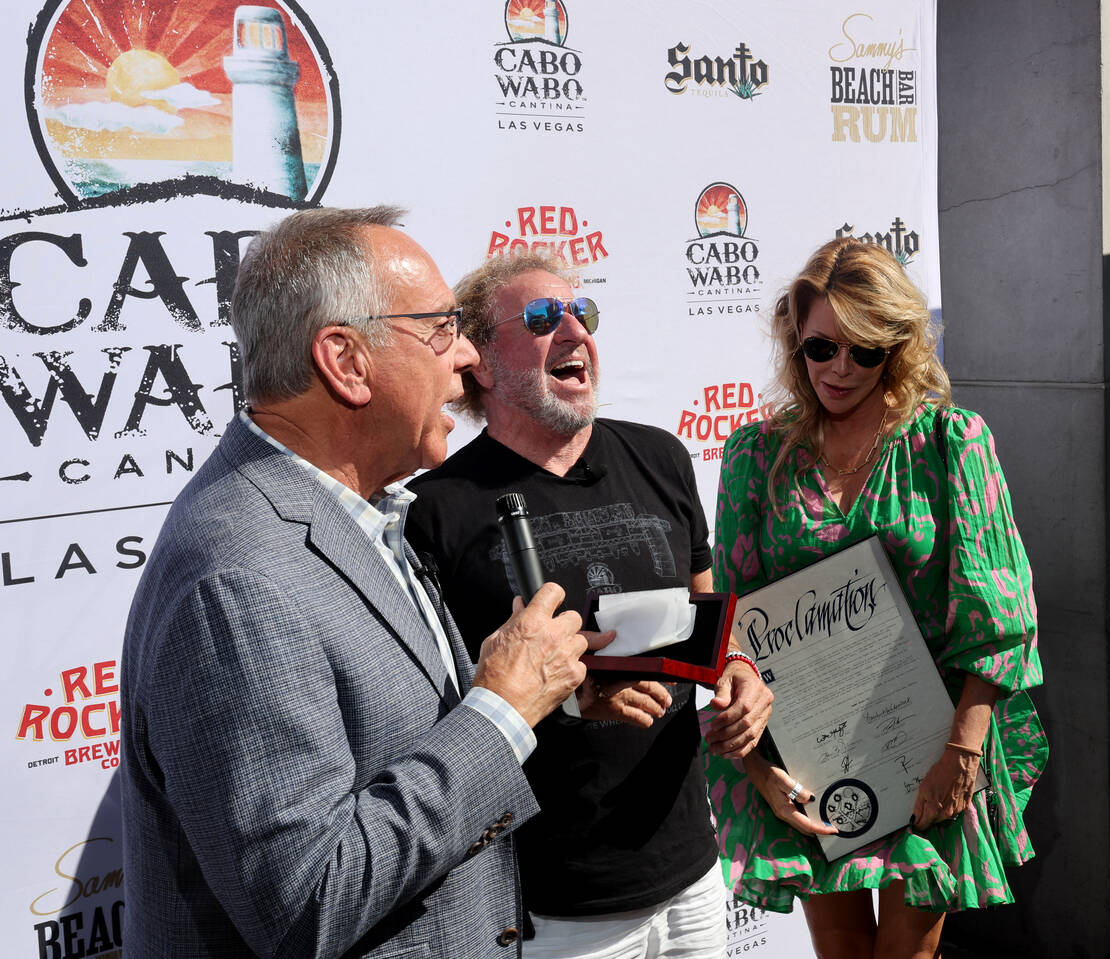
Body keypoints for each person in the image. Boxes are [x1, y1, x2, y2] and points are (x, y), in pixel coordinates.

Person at [120, 207, 595, 958]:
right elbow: (307, 900)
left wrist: (526, 691)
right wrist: (501, 711)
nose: (467, 355)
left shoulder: (361, 511)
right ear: (345, 360)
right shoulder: (238, 577)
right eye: (441, 327)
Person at [405, 253, 774, 958]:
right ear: (480, 362)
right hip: (558, 906)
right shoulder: (436, 509)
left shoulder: (661, 457)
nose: (574, 329)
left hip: (692, 869)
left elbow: (709, 625)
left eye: (583, 312)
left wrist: (742, 675)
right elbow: (443, 714)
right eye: (544, 318)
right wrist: (573, 699)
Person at [705, 237, 1047, 959]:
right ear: (796, 342)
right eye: (820, 347)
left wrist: (963, 747)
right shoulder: (755, 456)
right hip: (808, 749)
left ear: (897, 347)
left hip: (925, 741)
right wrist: (760, 768)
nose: (837, 368)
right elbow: (731, 619)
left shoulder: (950, 442)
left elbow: (1000, 612)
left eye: (862, 351)